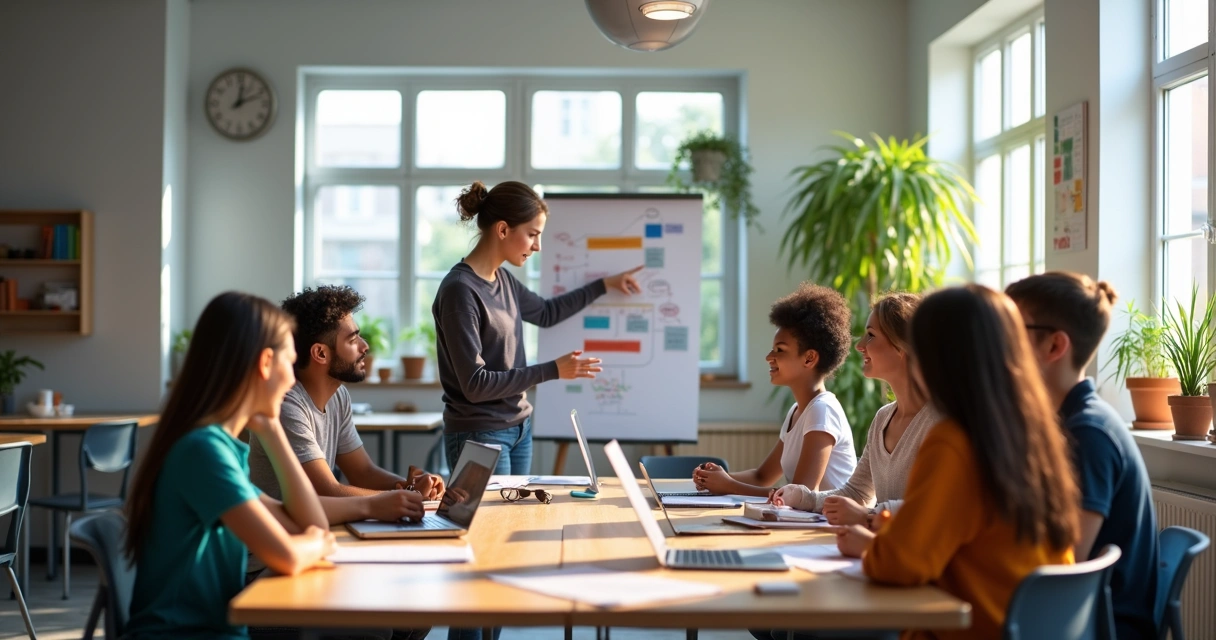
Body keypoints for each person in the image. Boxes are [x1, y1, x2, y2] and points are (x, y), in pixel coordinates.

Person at [835, 285, 1080, 640]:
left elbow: (903, 564)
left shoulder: (954, 440)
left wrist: (868, 545)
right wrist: (887, 526)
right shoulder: (1032, 432)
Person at [125, 292, 335, 639]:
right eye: (290, 363)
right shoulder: (202, 451)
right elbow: (289, 554)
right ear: (266, 363)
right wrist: (320, 543)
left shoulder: (220, 448)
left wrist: (270, 429)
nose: (292, 380)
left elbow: (310, 526)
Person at [245, 285, 438, 640]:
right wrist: (385, 503)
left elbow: (362, 470)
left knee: (416, 611)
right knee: (381, 624)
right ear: (320, 353)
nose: (365, 347)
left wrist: (407, 488)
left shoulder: (339, 396)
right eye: (354, 339)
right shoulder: (287, 405)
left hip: (315, 541)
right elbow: (325, 490)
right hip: (265, 571)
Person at [433, 180, 642, 476]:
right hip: (480, 434)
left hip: (519, 428)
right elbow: (475, 385)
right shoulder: (459, 291)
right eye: (532, 234)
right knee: (492, 523)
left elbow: (546, 312)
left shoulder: (502, 279)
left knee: (515, 519)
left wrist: (604, 285)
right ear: (503, 229)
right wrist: (553, 370)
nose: (538, 246)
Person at [1006, 272, 1158, 639]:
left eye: (1009, 329)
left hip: (1097, 625)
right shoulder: (1066, 421)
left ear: (1054, 346)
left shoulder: (1087, 434)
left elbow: (1064, 561)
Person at [771, 293, 940, 525]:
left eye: (871, 336)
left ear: (902, 347)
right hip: (883, 547)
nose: (859, 346)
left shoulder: (937, 421)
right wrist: (803, 497)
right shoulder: (882, 418)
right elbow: (858, 494)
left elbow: (933, 506)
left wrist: (868, 516)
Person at [694, 283, 856, 497]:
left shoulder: (822, 411)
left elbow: (800, 495)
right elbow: (762, 477)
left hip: (829, 528)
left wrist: (729, 485)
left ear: (809, 358)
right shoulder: (797, 411)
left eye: (780, 350)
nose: (769, 357)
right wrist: (718, 478)